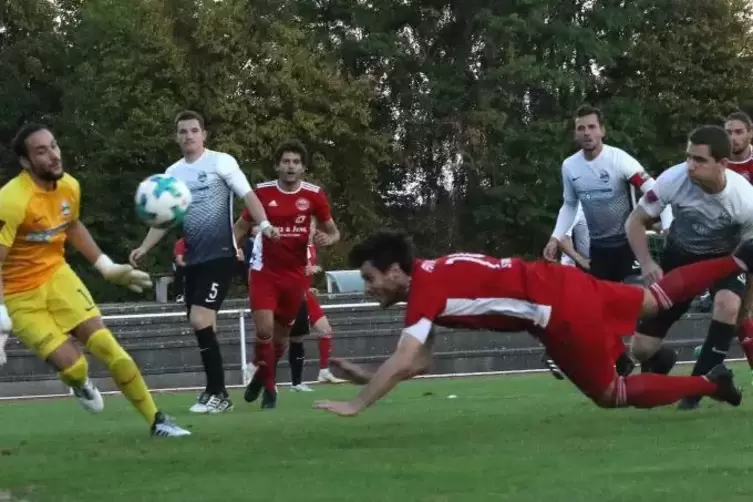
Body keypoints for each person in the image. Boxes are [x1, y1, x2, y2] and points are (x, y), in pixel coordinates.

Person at [312, 230, 752, 418]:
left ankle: (712, 385)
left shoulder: (425, 292)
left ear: (395, 271)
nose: (368, 288)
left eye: (370, 278)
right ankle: (737, 258)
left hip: (553, 312)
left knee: (610, 394)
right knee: (655, 301)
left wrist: (358, 403)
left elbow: (407, 356)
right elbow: (419, 362)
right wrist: (370, 378)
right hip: (560, 280)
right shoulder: (433, 272)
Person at [0, 123, 190, 436]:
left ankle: (158, 421)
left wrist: (107, 267)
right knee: (76, 367)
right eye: (41, 151)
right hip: (21, 294)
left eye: (54, 145)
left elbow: (72, 226)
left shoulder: (69, 187)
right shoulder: (11, 200)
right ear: (25, 162)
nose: (53, 155)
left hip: (57, 276)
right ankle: (79, 383)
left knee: (110, 349)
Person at [130, 110, 278, 414]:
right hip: (194, 260)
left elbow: (248, 195)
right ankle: (215, 391)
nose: (188, 136)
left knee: (199, 319)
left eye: (194, 130)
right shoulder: (173, 173)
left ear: (204, 135)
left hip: (221, 255)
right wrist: (144, 246)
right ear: (177, 137)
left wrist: (263, 225)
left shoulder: (221, 162)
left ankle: (219, 394)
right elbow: (165, 218)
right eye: (183, 131)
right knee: (202, 325)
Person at [626, 125, 753, 409]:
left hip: (723, 260)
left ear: (722, 164)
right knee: (640, 349)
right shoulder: (673, 179)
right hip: (679, 259)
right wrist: (647, 263)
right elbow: (635, 222)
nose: (690, 166)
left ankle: (697, 390)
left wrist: (748, 302)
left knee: (728, 306)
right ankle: (661, 360)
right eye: (688, 157)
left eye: (699, 160)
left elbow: (752, 257)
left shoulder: (746, 201)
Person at [543, 105, 674, 375]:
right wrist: (556, 237)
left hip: (629, 244)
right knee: (597, 308)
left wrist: (668, 224)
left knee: (638, 305)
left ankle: (653, 356)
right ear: (575, 133)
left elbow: (652, 190)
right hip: (600, 248)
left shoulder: (620, 160)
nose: (587, 133)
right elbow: (569, 205)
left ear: (602, 130)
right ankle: (625, 363)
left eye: (592, 127)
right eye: (581, 128)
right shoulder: (570, 166)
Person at [234, 140, 340, 409]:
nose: (290, 166)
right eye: (286, 161)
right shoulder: (262, 193)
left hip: (295, 277)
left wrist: (327, 239)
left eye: (295, 162)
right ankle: (271, 390)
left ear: (303, 168)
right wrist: (232, 248)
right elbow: (241, 226)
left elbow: (333, 231)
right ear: (277, 166)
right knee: (265, 331)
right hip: (264, 271)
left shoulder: (314, 195)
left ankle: (261, 375)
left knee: (281, 340)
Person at [722, 112, 753, 376]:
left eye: (738, 131)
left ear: (750, 133)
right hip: (730, 248)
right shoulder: (719, 165)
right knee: (738, 312)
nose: (733, 138)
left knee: (741, 312)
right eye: (729, 132)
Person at [173, 236, 186, 303]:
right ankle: (179, 295)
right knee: (179, 273)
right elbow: (179, 261)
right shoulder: (180, 243)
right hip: (181, 265)